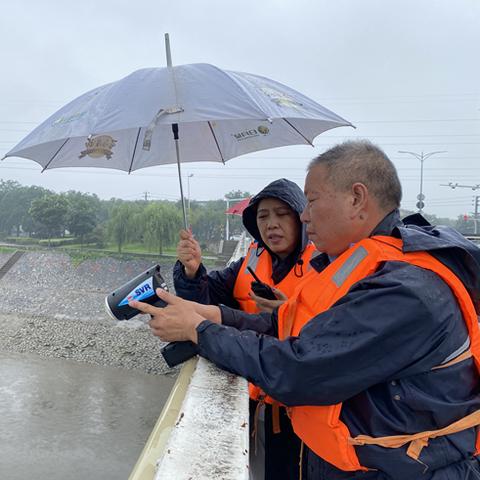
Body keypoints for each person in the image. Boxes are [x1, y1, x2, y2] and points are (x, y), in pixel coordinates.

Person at [132, 140, 480, 479]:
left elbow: (298, 369)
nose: (304, 215)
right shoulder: (366, 266)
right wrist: (215, 315)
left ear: (357, 199)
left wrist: (199, 330)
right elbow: (287, 325)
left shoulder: (405, 290)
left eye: (311, 201)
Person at [173, 178, 318, 480]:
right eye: (263, 216)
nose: (272, 224)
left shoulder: (325, 266)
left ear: (302, 218)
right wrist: (192, 270)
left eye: (282, 214)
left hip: (301, 414)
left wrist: (288, 314)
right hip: (252, 401)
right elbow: (206, 296)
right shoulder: (250, 260)